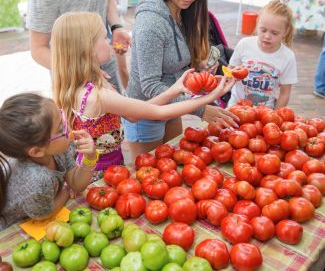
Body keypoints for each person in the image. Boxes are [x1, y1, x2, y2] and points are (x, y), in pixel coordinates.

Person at [51, 11, 235, 179]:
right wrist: (209, 98)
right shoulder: (99, 95)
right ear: (89, 49)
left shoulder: (82, 86)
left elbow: (135, 112)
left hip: (96, 167)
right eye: (103, 37)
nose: (108, 40)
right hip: (102, 174)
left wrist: (175, 89)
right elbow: (158, 113)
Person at [123, 0, 239, 161]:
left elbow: (175, 66)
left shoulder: (183, 12)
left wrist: (200, 71)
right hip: (145, 111)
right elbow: (150, 86)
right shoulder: (151, 22)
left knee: (171, 166)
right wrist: (201, 109)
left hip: (171, 107)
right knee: (151, 174)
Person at [26, 0, 131, 93]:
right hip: (73, 79)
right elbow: (38, 49)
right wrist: (79, 70)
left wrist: (116, 26)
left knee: (117, 113)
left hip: (106, 61)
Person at [0, 93, 96, 230]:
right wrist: (66, 191)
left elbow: (76, 183)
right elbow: (44, 214)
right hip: (12, 227)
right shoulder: (36, 179)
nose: (67, 126)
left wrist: (90, 158)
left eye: (62, 116)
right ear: (37, 151)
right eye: (60, 128)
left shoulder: (57, 148)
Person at [227, 0, 298, 109]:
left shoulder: (288, 57)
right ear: (257, 24)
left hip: (264, 114)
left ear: (286, 32)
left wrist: (275, 117)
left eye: (274, 33)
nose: (267, 36)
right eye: (263, 30)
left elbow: (285, 93)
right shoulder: (244, 44)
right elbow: (229, 71)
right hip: (235, 107)